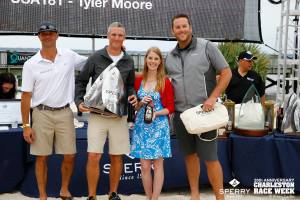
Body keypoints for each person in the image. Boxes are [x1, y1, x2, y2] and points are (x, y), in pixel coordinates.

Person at [165, 14, 232, 200]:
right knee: (190, 157)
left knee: (210, 158)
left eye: (184, 26)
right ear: (173, 31)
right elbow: (163, 84)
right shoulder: (170, 57)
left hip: (205, 114)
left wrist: (212, 98)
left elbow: (226, 73)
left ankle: (220, 197)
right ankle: (195, 195)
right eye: (177, 27)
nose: (181, 30)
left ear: (190, 27)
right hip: (181, 117)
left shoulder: (207, 47)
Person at [21, 21, 87, 200]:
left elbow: (90, 64)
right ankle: (43, 196)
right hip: (41, 114)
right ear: (39, 37)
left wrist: (111, 51)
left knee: (70, 155)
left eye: (51, 33)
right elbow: (26, 96)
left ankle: (64, 189)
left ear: (57, 35)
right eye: (44, 33)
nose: (47, 36)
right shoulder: (31, 64)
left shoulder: (69, 56)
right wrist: (26, 124)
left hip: (65, 113)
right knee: (41, 157)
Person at [75, 22, 137, 200]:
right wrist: (79, 101)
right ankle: (92, 196)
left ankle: (113, 193)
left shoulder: (129, 60)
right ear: (108, 36)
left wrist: (132, 96)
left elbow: (130, 85)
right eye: (114, 34)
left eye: (120, 35)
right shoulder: (96, 57)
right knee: (93, 155)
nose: (117, 38)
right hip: (97, 115)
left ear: (124, 38)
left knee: (117, 156)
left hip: (119, 116)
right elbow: (80, 81)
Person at [130, 47, 174, 200]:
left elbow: (171, 108)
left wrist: (156, 113)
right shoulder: (138, 81)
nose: (153, 61)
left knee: (158, 165)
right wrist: (141, 102)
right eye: (150, 58)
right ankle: (149, 197)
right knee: (144, 166)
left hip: (159, 126)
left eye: (156, 59)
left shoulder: (165, 81)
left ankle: (154, 198)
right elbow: (134, 107)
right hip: (142, 126)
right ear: (146, 59)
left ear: (160, 61)